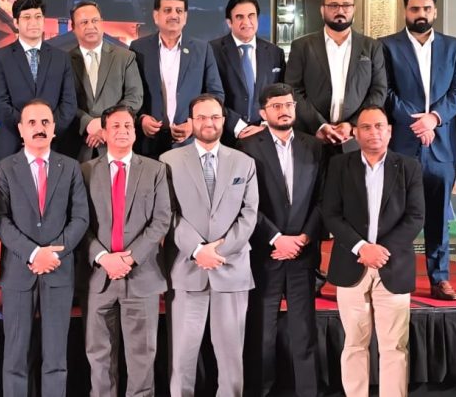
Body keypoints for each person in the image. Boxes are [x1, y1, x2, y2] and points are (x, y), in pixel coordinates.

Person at [160, 93, 258, 397]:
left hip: (231, 269)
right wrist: (197, 250)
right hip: (186, 270)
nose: (208, 123)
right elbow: (168, 213)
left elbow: (249, 214)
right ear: (191, 121)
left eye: (214, 117)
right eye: (201, 117)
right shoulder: (168, 161)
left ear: (223, 120)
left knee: (231, 359)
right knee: (182, 357)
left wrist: (218, 251)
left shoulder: (244, 162)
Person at [322, 105, 423, 397]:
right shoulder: (340, 166)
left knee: (394, 347)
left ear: (389, 131)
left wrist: (381, 251)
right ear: (355, 133)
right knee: (354, 344)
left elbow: (416, 217)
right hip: (351, 264)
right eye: (366, 127)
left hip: (393, 266)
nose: (373, 132)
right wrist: (362, 247)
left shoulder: (409, 167)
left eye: (379, 126)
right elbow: (331, 213)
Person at [0, 99, 89, 397]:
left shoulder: (70, 167)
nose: (39, 128)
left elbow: (80, 218)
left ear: (54, 128)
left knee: (56, 358)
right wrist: (35, 253)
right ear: (21, 129)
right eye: (32, 123)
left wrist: (54, 254)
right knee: (15, 358)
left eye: (45, 122)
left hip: (58, 271)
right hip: (19, 272)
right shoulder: (5, 168)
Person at [380, 0, 456, 300]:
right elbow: (385, 91)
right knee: (394, 214)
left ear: (435, 12)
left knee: (438, 216)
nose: (421, 14)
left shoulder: (454, 47)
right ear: (405, 11)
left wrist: (434, 119)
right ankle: (393, 278)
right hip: (402, 143)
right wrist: (417, 123)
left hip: (441, 144)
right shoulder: (387, 46)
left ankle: (439, 279)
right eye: (415, 9)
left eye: (427, 9)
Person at [238, 83, 323, 397]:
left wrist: (303, 238)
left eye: (288, 104)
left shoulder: (314, 146)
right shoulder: (247, 147)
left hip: (302, 251)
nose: (284, 110)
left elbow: (323, 199)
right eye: (276, 106)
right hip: (265, 253)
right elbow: (246, 203)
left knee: (304, 333)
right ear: (263, 112)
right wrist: (275, 238)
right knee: (261, 332)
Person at [78, 105, 169, 396]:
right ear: (103, 133)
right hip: (98, 277)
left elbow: (162, 220)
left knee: (142, 358)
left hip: (141, 275)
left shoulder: (155, 170)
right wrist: (103, 257)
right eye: (115, 126)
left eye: (128, 126)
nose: (123, 131)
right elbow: (79, 222)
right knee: (99, 357)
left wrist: (129, 258)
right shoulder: (85, 171)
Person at [285, 0, 386, 153]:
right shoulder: (302, 46)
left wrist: (353, 124)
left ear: (353, 9)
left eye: (346, 5)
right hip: (311, 138)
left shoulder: (371, 47)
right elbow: (292, 90)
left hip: (354, 140)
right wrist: (319, 125)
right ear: (322, 10)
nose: (340, 10)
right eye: (333, 5)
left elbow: (379, 90)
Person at [130, 0, 224, 157]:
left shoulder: (202, 49)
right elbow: (131, 91)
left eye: (179, 11)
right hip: (148, 142)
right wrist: (141, 118)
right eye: (167, 10)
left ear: (185, 17)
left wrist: (194, 123)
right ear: (156, 16)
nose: (174, 15)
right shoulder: (139, 48)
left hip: (189, 141)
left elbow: (216, 94)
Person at [0, 0, 77, 162]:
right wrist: (28, 130)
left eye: (38, 17)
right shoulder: (0, 57)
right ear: (16, 22)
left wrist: (47, 131)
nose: (33, 22)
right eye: (27, 17)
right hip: (13, 143)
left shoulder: (61, 57)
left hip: (54, 142)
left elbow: (69, 103)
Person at [63, 1, 143, 161]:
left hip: (116, 143)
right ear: (73, 27)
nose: (90, 26)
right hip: (77, 145)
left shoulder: (125, 57)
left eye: (95, 20)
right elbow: (63, 100)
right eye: (84, 22)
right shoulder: (63, 61)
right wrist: (88, 123)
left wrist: (106, 124)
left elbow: (134, 97)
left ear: (102, 22)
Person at [209, 0, 286, 146]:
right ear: (229, 22)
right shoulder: (212, 50)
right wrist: (239, 127)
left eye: (251, 16)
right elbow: (209, 95)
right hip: (225, 136)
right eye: (239, 17)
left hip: (265, 135)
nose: (246, 22)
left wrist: (265, 125)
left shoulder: (275, 53)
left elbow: (280, 95)